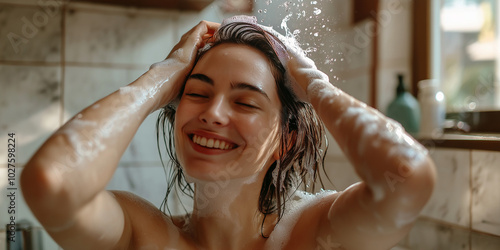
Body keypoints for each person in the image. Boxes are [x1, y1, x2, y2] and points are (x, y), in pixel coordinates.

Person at [21, 15, 436, 250]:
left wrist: (313, 84)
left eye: (245, 102)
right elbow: (53, 183)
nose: (213, 114)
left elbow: (407, 175)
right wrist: (161, 77)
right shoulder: (141, 234)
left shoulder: (316, 232)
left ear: (285, 139)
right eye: (197, 94)